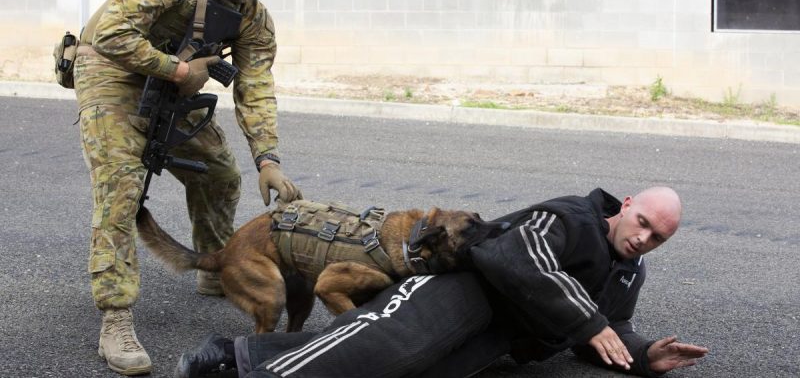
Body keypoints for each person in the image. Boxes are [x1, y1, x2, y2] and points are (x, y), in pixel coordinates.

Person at [73, 0, 313, 375]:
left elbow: (256, 87)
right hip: (110, 70)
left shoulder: (252, 18)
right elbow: (111, 33)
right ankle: (116, 318)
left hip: (169, 81)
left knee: (220, 173)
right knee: (120, 189)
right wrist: (180, 69)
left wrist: (268, 160)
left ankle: (217, 265)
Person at [174, 186, 709, 378]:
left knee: (401, 365)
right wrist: (589, 320)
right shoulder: (576, 216)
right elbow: (522, 250)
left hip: (497, 335)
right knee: (386, 345)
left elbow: (612, 329)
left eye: (658, 238)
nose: (644, 239)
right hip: (466, 289)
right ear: (629, 205)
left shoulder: (627, 272)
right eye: (643, 223)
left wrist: (641, 355)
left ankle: (234, 353)